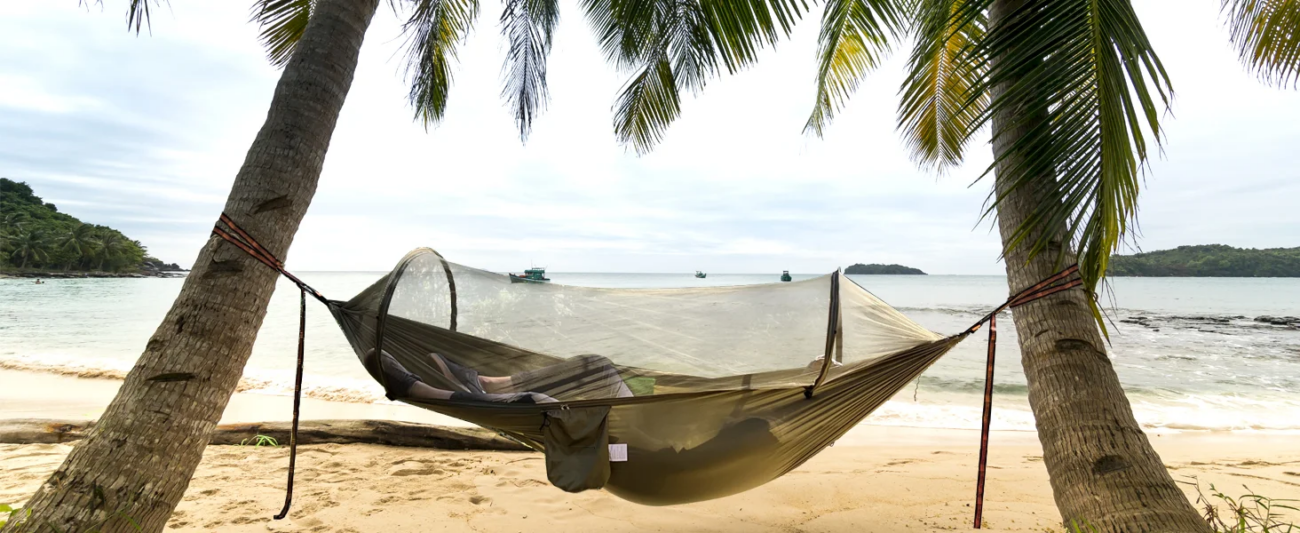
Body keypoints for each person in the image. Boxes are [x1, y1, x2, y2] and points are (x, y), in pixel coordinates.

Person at [363, 349, 634, 404]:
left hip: (629, 433)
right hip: (638, 416)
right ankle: (484, 383)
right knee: (595, 365)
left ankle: (419, 390)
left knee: (539, 403)